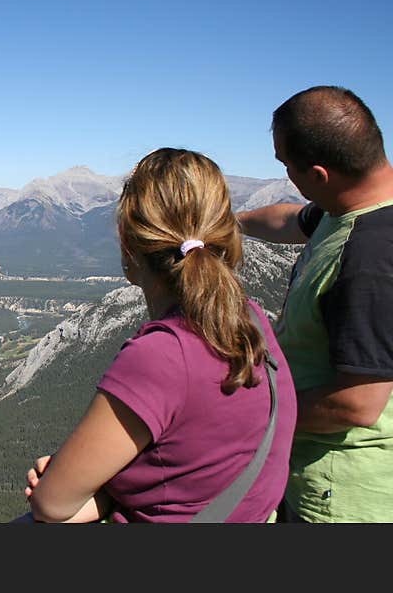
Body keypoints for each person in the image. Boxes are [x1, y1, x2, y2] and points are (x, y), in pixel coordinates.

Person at [23, 148, 297, 523]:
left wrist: (88, 481)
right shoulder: (250, 321)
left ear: (129, 248)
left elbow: (51, 505)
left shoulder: (162, 355)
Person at [237, 86, 393, 522]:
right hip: (312, 478)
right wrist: (227, 222)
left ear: (320, 175)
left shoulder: (371, 256)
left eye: (287, 165)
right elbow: (291, 218)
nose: (287, 174)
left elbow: (359, 403)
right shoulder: (349, 209)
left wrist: (250, 414)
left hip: (339, 497)